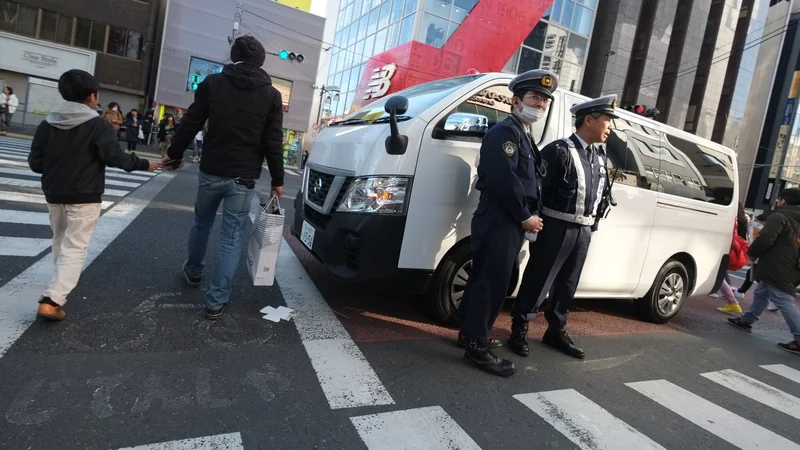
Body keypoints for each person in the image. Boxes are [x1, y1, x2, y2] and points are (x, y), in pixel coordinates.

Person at [164, 35, 285, 320]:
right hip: (243, 177)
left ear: (233, 56)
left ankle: (193, 272)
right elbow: (273, 140)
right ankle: (216, 300)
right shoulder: (271, 95)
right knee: (231, 237)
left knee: (201, 222)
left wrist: (175, 151)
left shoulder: (213, 84)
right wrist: (277, 180)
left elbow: (192, 120)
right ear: (261, 61)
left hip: (211, 169)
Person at [27, 69, 160, 321]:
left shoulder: (47, 123)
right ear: (91, 96)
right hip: (85, 193)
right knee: (75, 246)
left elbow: (36, 163)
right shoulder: (97, 124)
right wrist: (145, 164)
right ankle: (52, 298)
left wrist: (58, 166)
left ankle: (57, 286)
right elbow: (115, 157)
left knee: (60, 239)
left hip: (54, 191)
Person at [457, 69, 555, 377]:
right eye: (534, 98)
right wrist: (526, 217)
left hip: (506, 221)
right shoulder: (505, 133)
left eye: (544, 101)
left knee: (485, 280)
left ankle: (470, 334)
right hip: (502, 219)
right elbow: (504, 180)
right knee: (492, 283)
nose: (540, 105)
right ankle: (477, 345)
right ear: (515, 101)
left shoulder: (523, 134)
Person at [509, 95, 618, 360]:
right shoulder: (559, 150)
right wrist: (532, 224)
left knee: (568, 283)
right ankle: (520, 328)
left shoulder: (598, 156)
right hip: (555, 226)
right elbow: (537, 190)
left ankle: (555, 329)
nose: (610, 127)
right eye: (607, 120)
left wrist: (593, 225)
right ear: (589, 120)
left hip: (583, 231)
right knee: (540, 278)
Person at [728, 188, 800, 355]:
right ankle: (747, 320)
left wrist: (752, 253)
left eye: (780, 198)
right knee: (762, 292)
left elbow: (766, 238)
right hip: (792, 265)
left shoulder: (779, 217)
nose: (778, 201)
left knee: (783, 299)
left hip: (777, 265)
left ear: (786, 200)